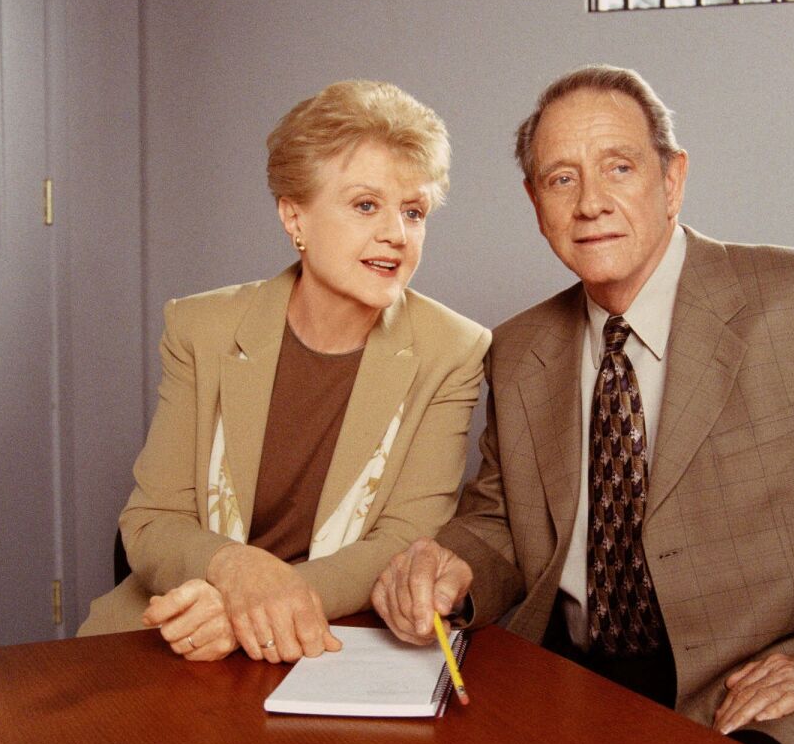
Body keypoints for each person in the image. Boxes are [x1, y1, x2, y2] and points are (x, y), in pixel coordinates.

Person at [371, 65, 794, 744]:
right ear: (534, 201)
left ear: (672, 180)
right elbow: (502, 521)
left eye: (619, 167)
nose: (591, 203)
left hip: (768, 695)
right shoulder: (518, 349)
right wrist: (451, 568)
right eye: (561, 178)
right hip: (569, 679)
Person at [79, 80, 491, 667]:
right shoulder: (201, 327)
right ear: (294, 215)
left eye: (414, 211)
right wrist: (236, 570)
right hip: (178, 633)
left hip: (329, 643)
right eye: (366, 205)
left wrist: (252, 606)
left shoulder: (455, 349)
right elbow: (151, 523)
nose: (397, 235)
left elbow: (403, 542)